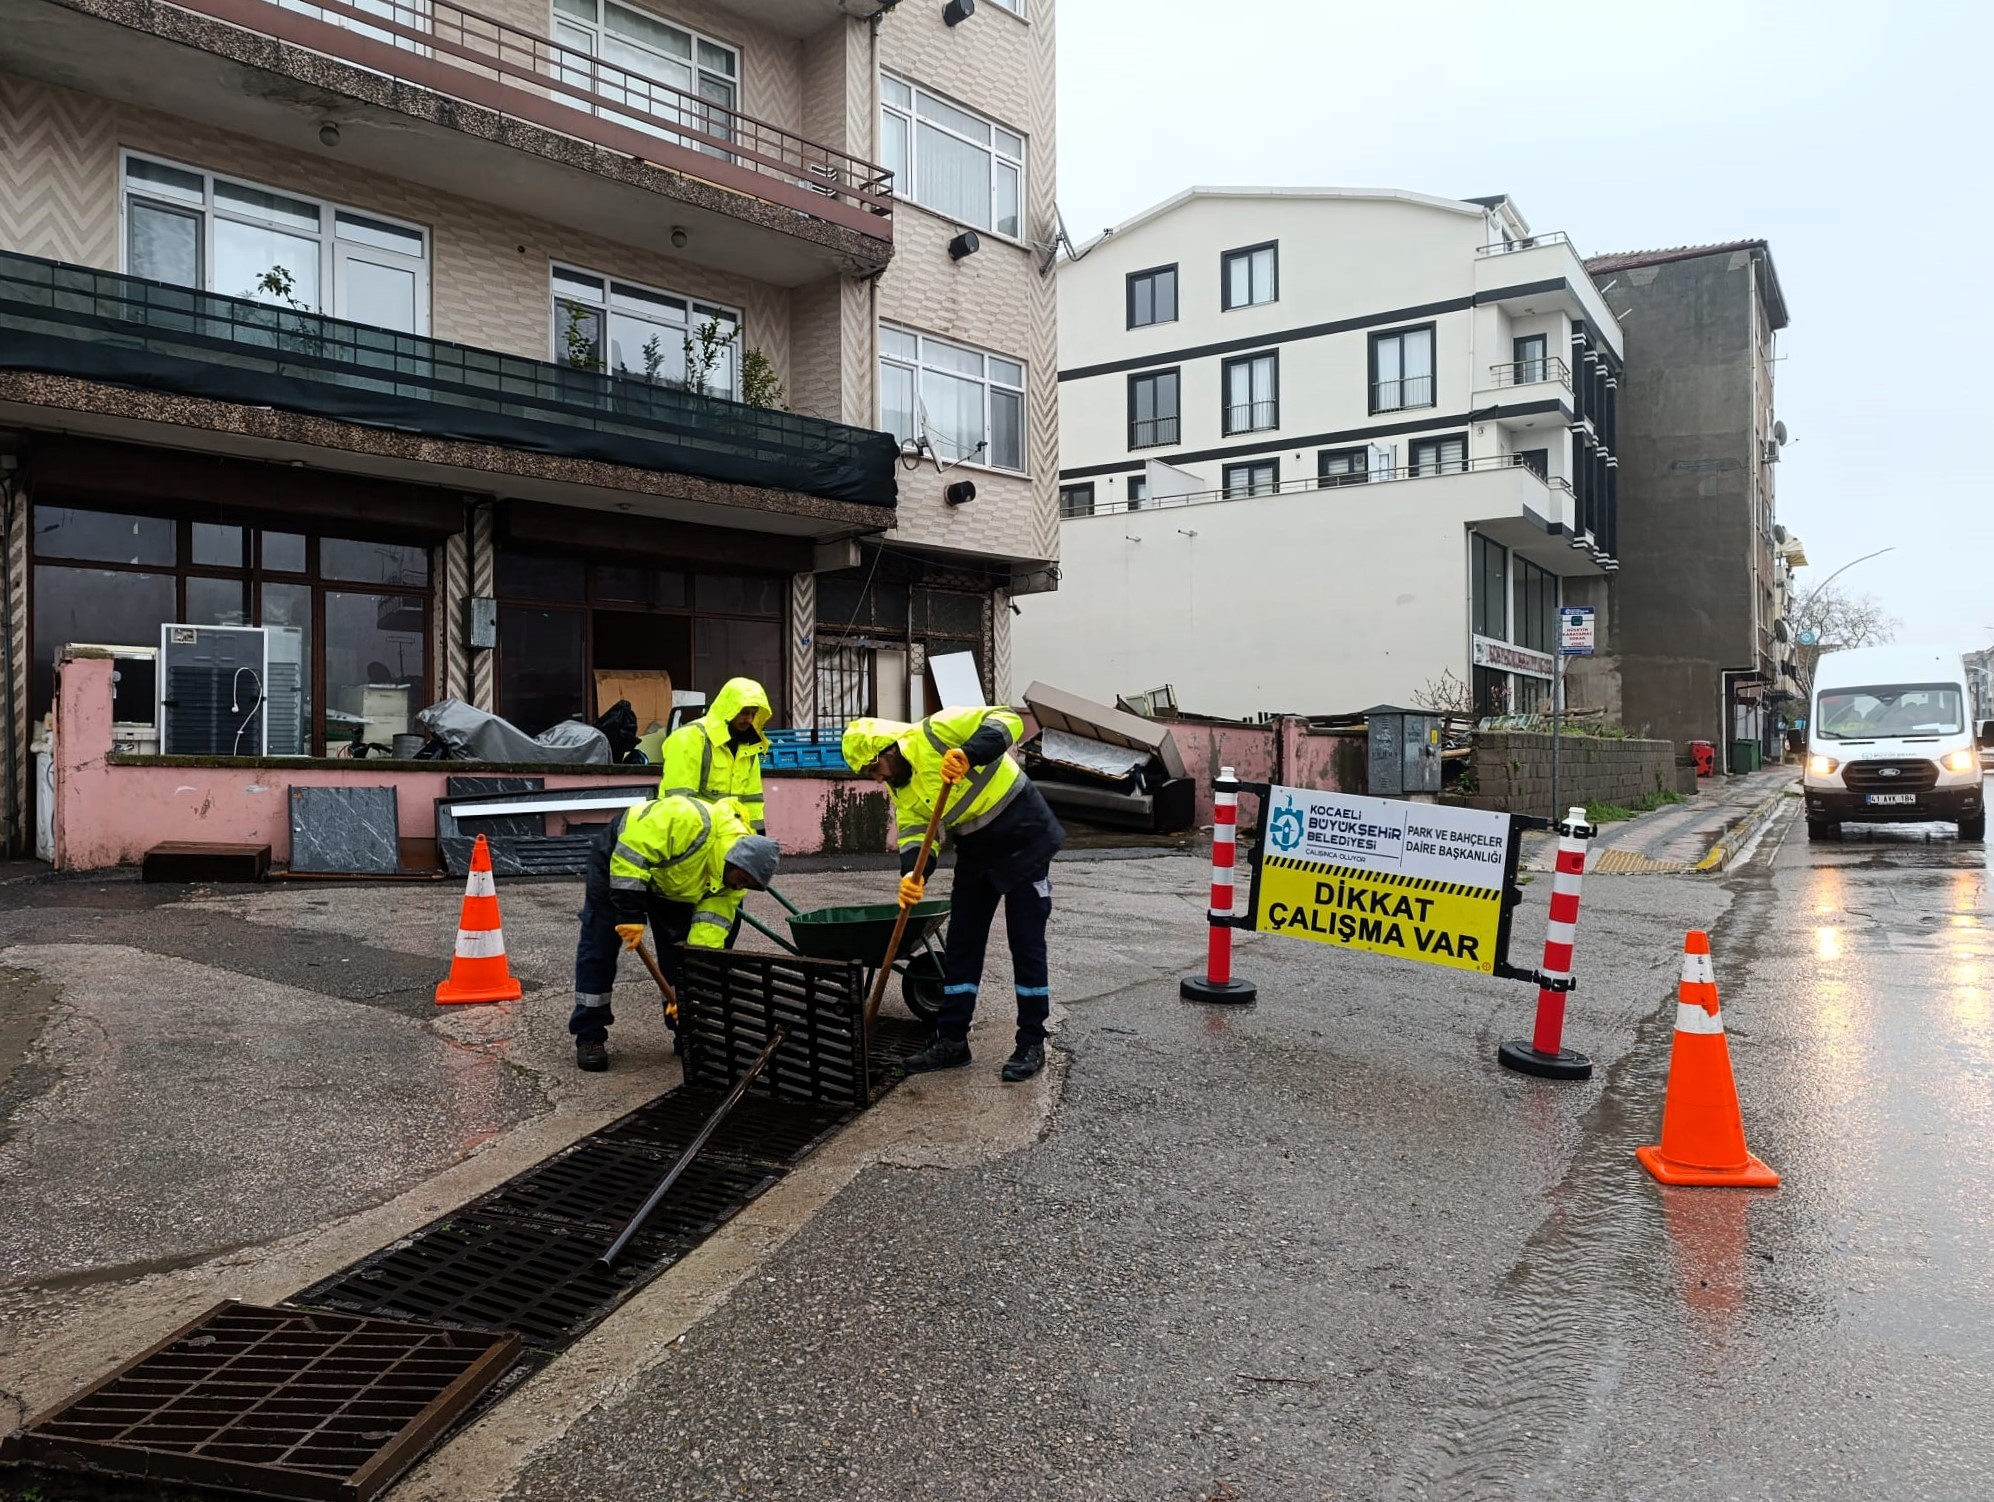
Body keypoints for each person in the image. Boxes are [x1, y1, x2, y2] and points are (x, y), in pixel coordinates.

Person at [842, 707, 1064, 1082]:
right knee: (963, 941)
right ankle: (952, 1040)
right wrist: (913, 874)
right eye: (868, 774)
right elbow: (916, 832)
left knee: (1025, 941)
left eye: (873, 768)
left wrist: (969, 753)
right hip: (976, 847)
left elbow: (1008, 720)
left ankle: (1031, 1041)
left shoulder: (936, 731)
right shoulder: (901, 787)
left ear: (889, 749)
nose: (876, 778)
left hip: (1023, 834)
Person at [570, 792, 779, 1072]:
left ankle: (686, 1030)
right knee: (600, 948)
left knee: (678, 958)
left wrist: (691, 996)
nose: (740, 887)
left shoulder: (730, 887)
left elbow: (702, 946)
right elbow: (631, 855)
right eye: (742, 880)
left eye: (747, 886)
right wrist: (630, 914)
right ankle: (589, 1035)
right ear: (735, 860)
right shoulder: (689, 821)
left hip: (670, 886)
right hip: (618, 861)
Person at [657, 677, 771, 832]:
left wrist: (757, 836)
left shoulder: (749, 746)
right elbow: (680, 803)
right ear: (729, 708)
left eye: (754, 714)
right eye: (744, 712)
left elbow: (752, 800)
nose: (749, 719)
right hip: (690, 835)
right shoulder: (690, 738)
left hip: (726, 835)